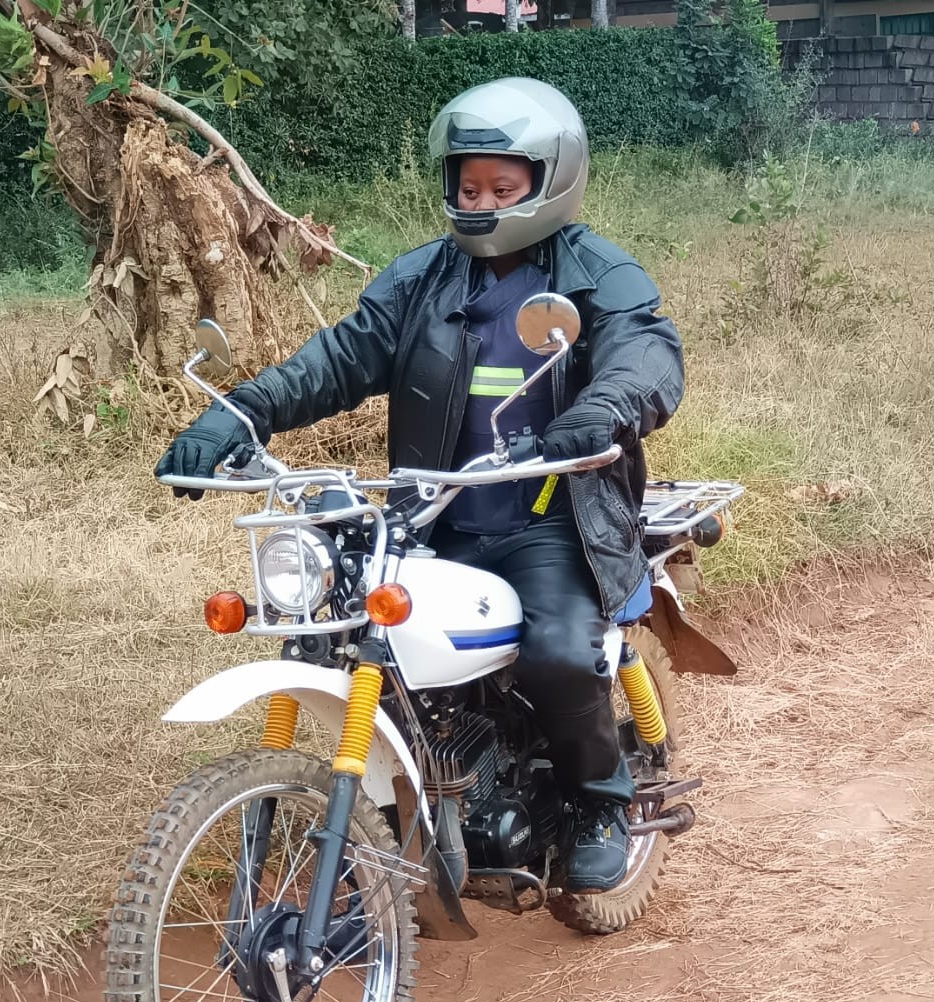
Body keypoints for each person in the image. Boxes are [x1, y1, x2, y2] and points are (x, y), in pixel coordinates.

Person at [155, 77, 685, 894]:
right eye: (468, 186)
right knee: (341, 635)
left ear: (551, 182)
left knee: (555, 653)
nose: (481, 201)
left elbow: (646, 355)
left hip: (551, 521)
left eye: (503, 188)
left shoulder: (598, 274)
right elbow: (338, 359)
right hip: (430, 515)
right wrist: (244, 413)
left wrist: (605, 409)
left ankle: (598, 802)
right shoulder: (423, 278)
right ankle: (410, 805)